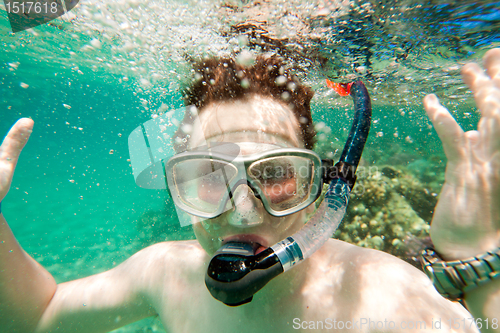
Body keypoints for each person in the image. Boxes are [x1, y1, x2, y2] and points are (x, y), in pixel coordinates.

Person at [1, 49, 499, 333]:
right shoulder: (164, 275)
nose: (241, 212)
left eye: (275, 173)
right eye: (209, 174)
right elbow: (40, 316)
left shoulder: (382, 294)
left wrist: (477, 260)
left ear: (320, 186)